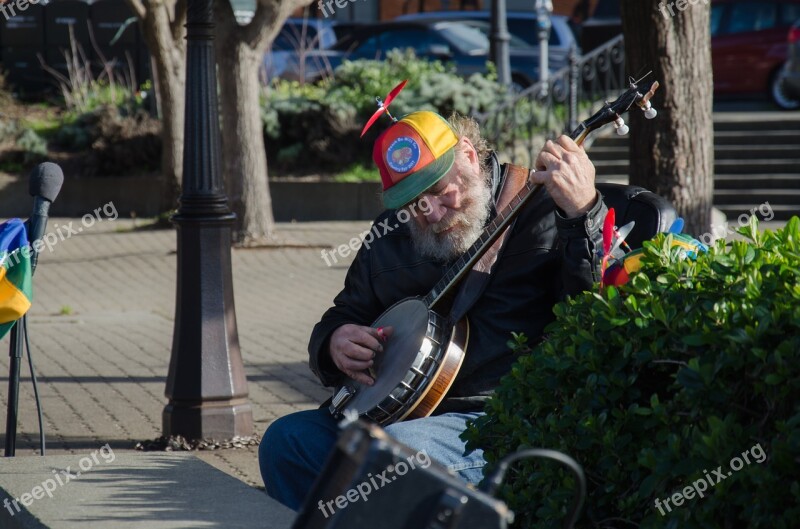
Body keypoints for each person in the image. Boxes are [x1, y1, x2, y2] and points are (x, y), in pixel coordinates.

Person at [259, 110, 608, 510]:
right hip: (394, 414)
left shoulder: (546, 211)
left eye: (441, 191)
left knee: (394, 458)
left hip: (489, 419)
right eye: (415, 202)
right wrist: (334, 343)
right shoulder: (392, 230)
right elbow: (344, 313)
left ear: (468, 156)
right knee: (286, 442)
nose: (432, 213)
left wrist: (585, 215)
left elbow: (591, 312)